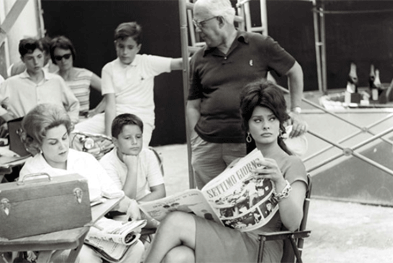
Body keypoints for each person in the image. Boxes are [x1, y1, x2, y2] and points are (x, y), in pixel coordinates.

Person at [143, 79, 308, 263]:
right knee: (178, 257)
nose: (266, 125)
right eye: (257, 120)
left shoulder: (292, 164)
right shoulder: (239, 164)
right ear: (247, 127)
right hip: (232, 239)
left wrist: (279, 182)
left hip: (262, 248)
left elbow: (294, 224)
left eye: (272, 118)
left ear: (281, 123)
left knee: (174, 222)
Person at [188, 0, 308, 189]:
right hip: (207, 148)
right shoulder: (197, 59)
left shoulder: (260, 44)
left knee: (247, 202)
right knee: (208, 205)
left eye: (200, 24)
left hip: (247, 145)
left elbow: (295, 71)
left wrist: (296, 110)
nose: (197, 30)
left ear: (220, 20)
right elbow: (193, 105)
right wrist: (196, 140)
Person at [18, 103, 144, 263]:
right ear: (36, 143)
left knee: (136, 247)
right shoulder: (31, 172)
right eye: (53, 142)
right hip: (60, 242)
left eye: (64, 137)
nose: (63, 146)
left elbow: (115, 196)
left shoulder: (85, 159)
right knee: (85, 258)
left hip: (98, 232)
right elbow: (28, 223)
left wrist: (130, 204)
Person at [75, 21, 182, 147]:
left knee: (132, 151)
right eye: (121, 46)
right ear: (115, 45)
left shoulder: (147, 62)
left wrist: (208, 56)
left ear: (138, 47)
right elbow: (110, 106)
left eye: (130, 47)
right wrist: (109, 137)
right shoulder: (108, 69)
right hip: (115, 117)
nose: (125, 52)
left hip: (141, 119)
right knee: (73, 134)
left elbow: (179, 63)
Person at [0, 38, 79, 136]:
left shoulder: (56, 81)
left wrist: (69, 123)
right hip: (25, 136)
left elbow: (74, 104)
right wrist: (9, 120)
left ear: (44, 56)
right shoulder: (11, 83)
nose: (36, 62)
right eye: (30, 58)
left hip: (55, 135)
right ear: (22, 59)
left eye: (39, 56)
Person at [100, 113, 166, 203]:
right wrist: (132, 169)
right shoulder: (106, 163)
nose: (135, 142)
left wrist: (137, 207)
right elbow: (123, 203)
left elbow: (160, 192)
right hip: (119, 213)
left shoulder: (148, 155)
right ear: (115, 141)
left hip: (143, 204)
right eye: (127, 138)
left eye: (138, 137)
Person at [50, 36, 104, 118]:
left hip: (84, 121)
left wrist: (96, 111)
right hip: (61, 123)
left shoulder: (85, 74)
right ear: (54, 60)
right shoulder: (52, 79)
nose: (63, 61)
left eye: (67, 56)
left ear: (72, 54)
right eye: (59, 58)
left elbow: (111, 92)